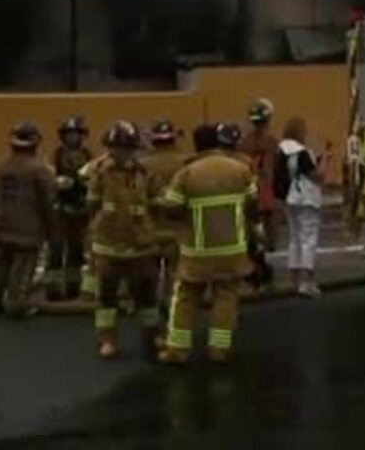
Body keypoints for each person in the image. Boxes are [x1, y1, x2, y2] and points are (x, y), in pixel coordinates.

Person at [158, 123, 257, 364]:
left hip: (197, 251)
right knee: (226, 298)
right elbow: (252, 202)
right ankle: (218, 350)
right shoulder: (240, 169)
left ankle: (177, 349)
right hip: (232, 249)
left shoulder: (187, 173)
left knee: (185, 297)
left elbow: (171, 207)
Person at [87, 120, 160, 359]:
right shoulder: (99, 171)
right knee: (106, 298)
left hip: (140, 245)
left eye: (126, 147)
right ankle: (107, 340)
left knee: (146, 298)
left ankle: (152, 337)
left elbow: (158, 201)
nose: (119, 152)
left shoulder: (146, 173)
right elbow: (91, 203)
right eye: (115, 147)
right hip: (108, 245)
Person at [0, 121, 58, 319]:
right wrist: (53, 233)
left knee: (0, 264)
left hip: (3, 224)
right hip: (29, 228)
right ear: (36, 143)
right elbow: (49, 203)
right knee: (23, 268)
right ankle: (16, 305)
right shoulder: (40, 169)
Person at [139, 119, 194, 339]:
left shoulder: (141, 165)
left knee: (148, 282)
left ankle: (151, 328)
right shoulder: (186, 163)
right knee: (177, 282)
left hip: (148, 231)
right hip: (177, 231)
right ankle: (174, 323)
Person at [216, 122, 273, 291]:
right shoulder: (246, 162)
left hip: (218, 216)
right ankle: (251, 282)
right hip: (242, 215)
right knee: (251, 248)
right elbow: (253, 192)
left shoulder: (213, 162)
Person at [45, 116, 94, 301]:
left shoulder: (88, 154)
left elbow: (92, 174)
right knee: (56, 248)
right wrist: (57, 184)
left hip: (80, 207)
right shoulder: (56, 154)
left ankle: (73, 286)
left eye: (75, 134)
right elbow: (50, 176)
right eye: (69, 134)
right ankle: (53, 287)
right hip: (60, 207)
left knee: (76, 249)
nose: (72, 138)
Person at [277, 116, 327, 297]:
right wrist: (324, 160)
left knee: (295, 237)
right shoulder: (303, 152)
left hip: (290, 197)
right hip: (307, 197)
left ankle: (294, 278)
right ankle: (307, 281)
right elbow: (317, 176)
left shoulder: (281, 150)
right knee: (309, 238)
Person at [238, 98, 279, 251]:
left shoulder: (243, 143)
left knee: (249, 224)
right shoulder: (272, 142)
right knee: (270, 226)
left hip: (248, 188)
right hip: (266, 189)